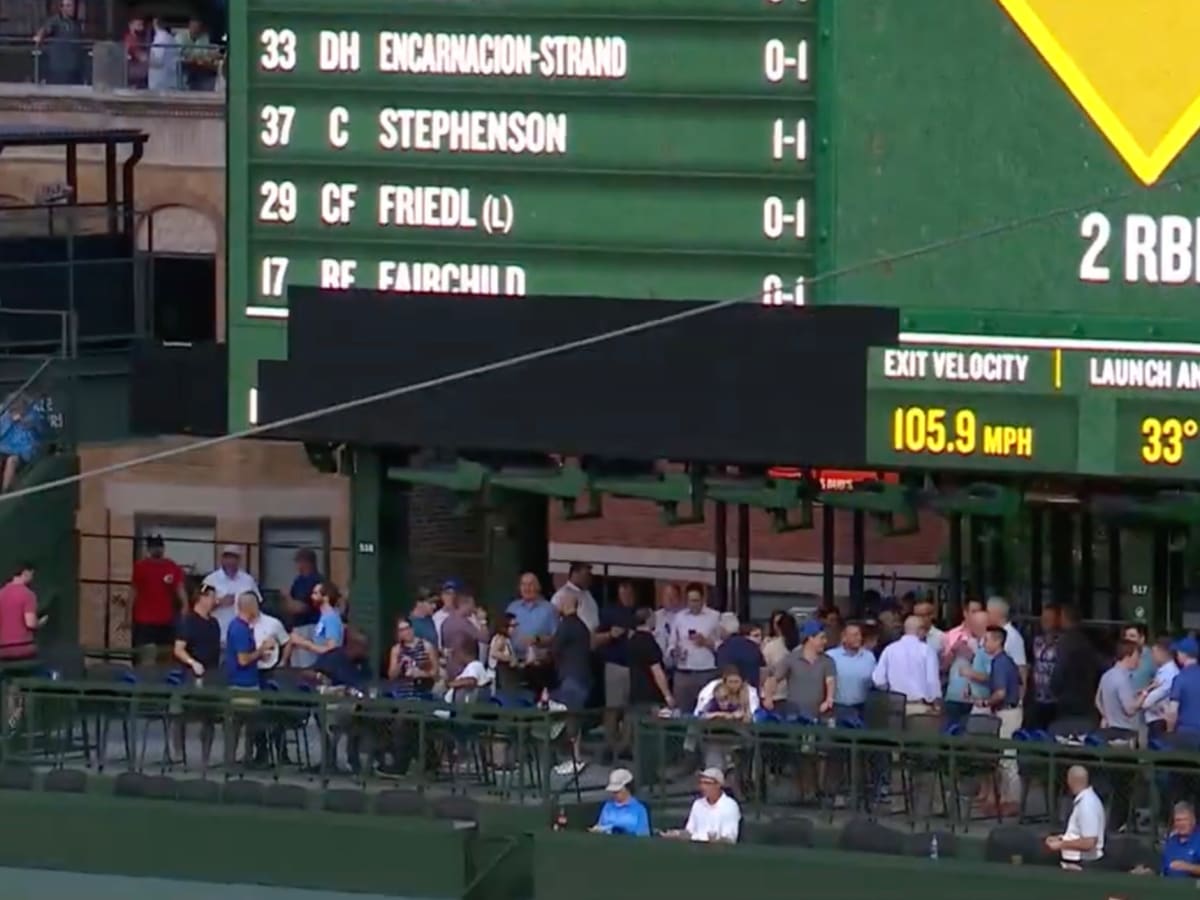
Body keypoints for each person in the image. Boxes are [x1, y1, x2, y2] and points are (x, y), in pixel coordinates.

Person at [973, 625, 1024, 816]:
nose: (984, 643)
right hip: (1009, 710)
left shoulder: (1000, 663)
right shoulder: (1005, 661)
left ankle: (1012, 800)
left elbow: (1001, 692)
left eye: (987, 640)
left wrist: (985, 702)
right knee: (1003, 757)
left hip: (1007, 713)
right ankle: (1004, 798)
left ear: (997, 641)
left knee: (1007, 757)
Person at [548, 590, 593, 776]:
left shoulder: (566, 625)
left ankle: (574, 759)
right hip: (582, 678)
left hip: (571, 678)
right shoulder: (582, 626)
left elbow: (555, 648)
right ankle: (574, 757)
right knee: (572, 716)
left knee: (568, 717)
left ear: (567, 604)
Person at [596, 580, 638, 762]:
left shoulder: (640, 613)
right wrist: (610, 634)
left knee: (631, 709)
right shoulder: (609, 613)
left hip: (635, 668)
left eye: (629, 593)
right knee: (613, 708)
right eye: (623, 593)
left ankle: (626, 746)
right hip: (614, 665)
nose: (627, 597)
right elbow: (594, 639)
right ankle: (609, 746)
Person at [129, 535, 187, 664]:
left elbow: (180, 589)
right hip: (145, 621)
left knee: (166, 657)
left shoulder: (171, 567)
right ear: (149, 549)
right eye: (154, 547)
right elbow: (133, 591)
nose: (157, 550)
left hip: (166, 621)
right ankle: (146, 682)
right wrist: (127, 616)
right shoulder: (141, 567)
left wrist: (184, 608)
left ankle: (163, 682)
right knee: (147, 657)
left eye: (159, 547)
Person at [761, 619, 834, 720]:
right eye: (821, 638)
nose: (825, 641)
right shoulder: (791, 658)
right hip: (794, 714)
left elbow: (830, 681)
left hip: (818, 714)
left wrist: (828, 699)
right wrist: (768, 697)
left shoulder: (827, 661)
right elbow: (773, 679)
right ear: (810, 638)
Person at [668, 583, 722, 715]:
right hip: (683, 671)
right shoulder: (679, 617)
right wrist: (675, 652)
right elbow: (671, 643)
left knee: (706, 711)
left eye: (696, 601)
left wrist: (707, 642)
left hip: (706, 671)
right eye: (690, 601)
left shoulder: (714, 617)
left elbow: (722, 646)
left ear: (703, 600)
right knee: (682, 712)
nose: (693, 604)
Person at [871, 615, 940, 714]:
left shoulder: (890, 649)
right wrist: (935, 703)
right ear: (920, 630)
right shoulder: (927, 651)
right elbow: (932, 681)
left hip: (894, 706)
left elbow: (878, 680)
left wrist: (890, 689)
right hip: (920, 707)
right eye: (925, 630)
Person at [1045, 765, 1105, 870]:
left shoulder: (1087, 805)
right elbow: (1080, 834)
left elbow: (1089, 842)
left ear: (1070, 780)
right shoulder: (1086, 801)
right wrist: (1061, 838)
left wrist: (1061, 844)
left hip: (1082, 864)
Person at [506, 572, 556, 693]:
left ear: (538, 587)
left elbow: (556, 637)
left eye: (531, 584)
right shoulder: (512, 608)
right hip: (512, 664)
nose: (527, 588)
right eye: (523, 584)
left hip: (538, 666)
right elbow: (503, 633)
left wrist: (537, 639)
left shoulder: (549, 609)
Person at [661, 768, 740, 843]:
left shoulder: (730, 806)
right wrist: (676, 834)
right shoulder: (697, 804)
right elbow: (689, 832)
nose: (703, 787)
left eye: (707, 783)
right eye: (701, 783)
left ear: (718, 785)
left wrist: (715, 841)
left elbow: (730, 839)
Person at [201, 545, 261, 644]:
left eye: (234, 557)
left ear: (239, 560)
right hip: (218, 633)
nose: (230, 561)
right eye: (227, 557)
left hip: (243, 633)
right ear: (222, 559)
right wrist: (219, 602)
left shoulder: (248, 580)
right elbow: (200, 607)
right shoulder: (210, 580)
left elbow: (258, 603)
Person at [943, 609, 989, 727]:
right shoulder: (962, 640)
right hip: (954, 697)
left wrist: (971, 663)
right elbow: (944, 666)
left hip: (976, 701)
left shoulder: (990, 646)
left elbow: (990, 675)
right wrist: (953, 651)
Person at [627, 607, 674, 710]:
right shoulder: (649, 642)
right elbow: (657, 671)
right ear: (649, 619)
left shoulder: (632, 640)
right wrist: (667, 695)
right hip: (651, 695)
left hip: (635, 693)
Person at [826, 621, 875, 718]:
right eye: (855, 635)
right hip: (837, 708)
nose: (859, 638)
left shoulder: (869, 657)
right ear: (844, 637)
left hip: (862, 708)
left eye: (860, 635)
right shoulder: (831, 656)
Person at [1095, 639, 1142, 738]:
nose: (1139, 660)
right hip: (1125, 733)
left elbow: (1098, 701)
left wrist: (1106, 716)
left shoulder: (1106, 675)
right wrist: (1144, 696)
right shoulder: (1123, 679)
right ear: (1128, 656)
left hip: (1109, 730)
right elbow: (1130, 710)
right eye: (1137, 656)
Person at [284, 549, 323, 667]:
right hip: (298, 627)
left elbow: (302, 607)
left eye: (299, 562)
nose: (297, 565)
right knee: (296, 664)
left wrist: (286, 597)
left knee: (306, 663)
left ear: (307, 562)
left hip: (309, 627)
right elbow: (289, 607)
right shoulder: (298, 580)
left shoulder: (315, 581)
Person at [32, 0, 85, 85]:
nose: (71, 9)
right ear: (62, 8)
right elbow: (44, 30)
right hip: (58, 65)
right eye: (68, 6)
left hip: (74, 65)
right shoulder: (55, 21)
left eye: (72, 6)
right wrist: (39, 37)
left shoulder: (76, 24)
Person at [288, 581, 343, 659]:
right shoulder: (324, 617)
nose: (311, 597)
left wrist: (303, 643)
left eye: (315, 593)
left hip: (327, 666)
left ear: (326, 598)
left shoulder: (331, 618)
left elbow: (331, 649)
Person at [0, 396, 45, 492]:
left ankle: (4, 491)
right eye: (11, 406)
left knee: (11, 461)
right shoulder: (5, 416)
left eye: (16, 406)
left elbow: (36, 427)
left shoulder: (33, 415)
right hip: (5, 448)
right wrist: (10, 420)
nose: (13, 409)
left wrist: (21, 420)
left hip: (24, 451)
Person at [986, 597, 1028, 699]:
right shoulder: (992, 634)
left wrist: (1020, 699)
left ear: (996, 613)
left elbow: (1021, 668)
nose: (986, 616)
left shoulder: (1013, 637)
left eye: (988, 612)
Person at [0, 563, 43, 660]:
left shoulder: (1, 594)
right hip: (24, 648)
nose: (32, 578)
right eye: (32, 575)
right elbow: (30, 623)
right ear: (25, 573)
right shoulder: (28, 594)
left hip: (2, 650)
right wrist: (39, 623)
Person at [1140, 636, 1179, 739]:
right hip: (1156, 720)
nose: (1152, 656)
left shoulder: (1169, 674)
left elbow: (1147, 702)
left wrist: (1144, 694)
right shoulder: (1163, 671)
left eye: (1154, 652)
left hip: (1159, 722)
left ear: (1162, 652)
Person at [591, 768, 650, 836]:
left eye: (617, 791)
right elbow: (599, 829)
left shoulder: (639, 809)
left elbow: (643, 835)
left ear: (628, 788)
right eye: (613, 792)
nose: (614, 794)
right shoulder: (608, 807)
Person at [1029, 604, 1061, 730]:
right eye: (1043, 617)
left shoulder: (1062, 643)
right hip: (1037, 697)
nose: (1045, 621)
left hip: (1055, 699)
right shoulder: (1037, 640)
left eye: (1049, 618)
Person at [715, 615, 765, 688]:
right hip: (752, 689)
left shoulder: (723, 649)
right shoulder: (753, 646)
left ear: (723, 629)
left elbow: (721, 672)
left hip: (731, 691)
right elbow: (763, 669)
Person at [761, 610, 798, 706]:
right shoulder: (802, 648)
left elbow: (764, 671)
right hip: (785, 695)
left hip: (779, 695)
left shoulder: (771, 646)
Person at [551, 562, 599, 632]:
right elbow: (554, 620)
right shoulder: (561, 595)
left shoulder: (587, 594)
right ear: (575, 573)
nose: (589, 577)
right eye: (587, 574)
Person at [1159, 802, 1200, 879]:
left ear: (1193, 821)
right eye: (1178, 820)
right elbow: (1163, 871)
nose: (1181, 824)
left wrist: (1188, 867)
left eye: (1185, 820)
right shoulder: (1171, 841)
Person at [487, 613, 522, 698]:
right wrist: (510, 659)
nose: (514, 629)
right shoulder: (500, 639)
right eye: (512, 626)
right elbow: (494, 653)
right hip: (499, 677)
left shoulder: (507, 639)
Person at [147, 16, 181, 91]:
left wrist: (145, 60)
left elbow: (157, 61)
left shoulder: (160, 39)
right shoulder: (171, 38)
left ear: (155, 24)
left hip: (160, 82)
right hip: (170, 80)